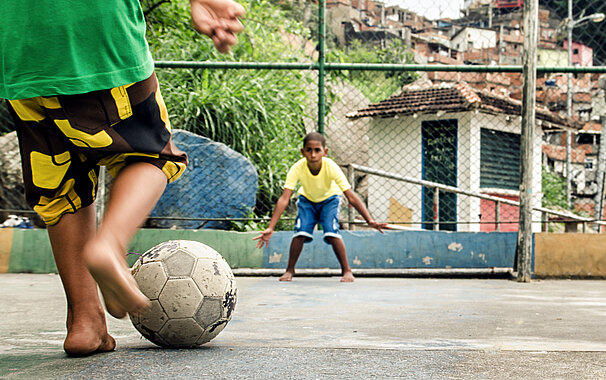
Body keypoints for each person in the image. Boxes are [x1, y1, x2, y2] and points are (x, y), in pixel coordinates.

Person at [0, 0, 245, 356]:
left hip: (19, 48)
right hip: (97, 34)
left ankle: (85, 323)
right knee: (152, 154)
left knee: (63, 186)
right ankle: (109, 246)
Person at [254, 132, 387, 282]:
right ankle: (290, 270)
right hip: (307, 201)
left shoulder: (331, 167)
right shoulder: (297, 168)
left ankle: (347, 270)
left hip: (329, 200)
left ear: (325, 152)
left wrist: (369, 220)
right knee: (300, 232)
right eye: (309, 150)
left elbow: (351, 196)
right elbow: (285, 198)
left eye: (317, 150)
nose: (313, 154)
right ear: (302, 152)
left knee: (332, 232)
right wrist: (271, 227)